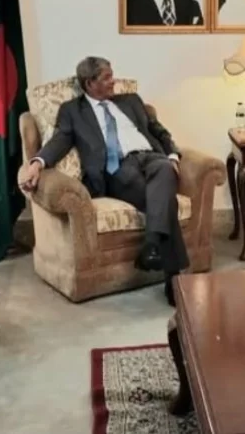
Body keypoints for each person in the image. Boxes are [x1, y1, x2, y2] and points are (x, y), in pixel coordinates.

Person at [17, 56, 185, 306]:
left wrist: (172, 155)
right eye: (107, 78)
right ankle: (174, 280)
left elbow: (158, 130)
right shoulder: (73, 111)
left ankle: (152, 246)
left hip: (151, 158)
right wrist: (37, 163)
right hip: (118, 168)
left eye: (112, 75)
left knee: (165, 170)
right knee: (164, 199)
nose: (113, 81)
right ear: (89, 83)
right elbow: (60, 141)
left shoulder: (131, 101)